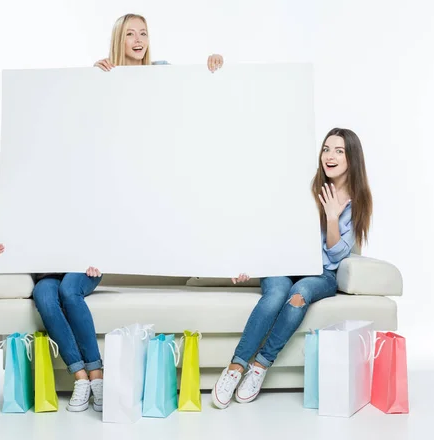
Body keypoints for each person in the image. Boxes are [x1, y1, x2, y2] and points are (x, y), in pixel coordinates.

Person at [212, 128, 373, 409]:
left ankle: (260, 366)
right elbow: (272, 230)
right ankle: (236, 368)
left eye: (339, 150)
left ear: (352, 158)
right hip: (283, 264)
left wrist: (333, 218)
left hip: (321, 274)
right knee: (275, 296)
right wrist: (249, 262)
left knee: (298, 296)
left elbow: (337, 255)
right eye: (326, 149)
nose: (330, 156)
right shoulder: (304, 189)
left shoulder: (358, 202)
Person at [0, 158, 104, 413]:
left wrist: (91, 255)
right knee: (44, 298)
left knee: (69, 291)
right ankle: (79, 377)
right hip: (43, 274)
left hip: (78, 264)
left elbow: (59, 221)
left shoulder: (9, 201)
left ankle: (97, 375)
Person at [93, 13, 224, 72]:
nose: (139, 39)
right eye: (130, 34)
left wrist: (213, 65)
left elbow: (190, 85)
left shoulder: (162, 69)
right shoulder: (105, 72)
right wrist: (93, 76)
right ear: (119, 41)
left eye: (143, 33)